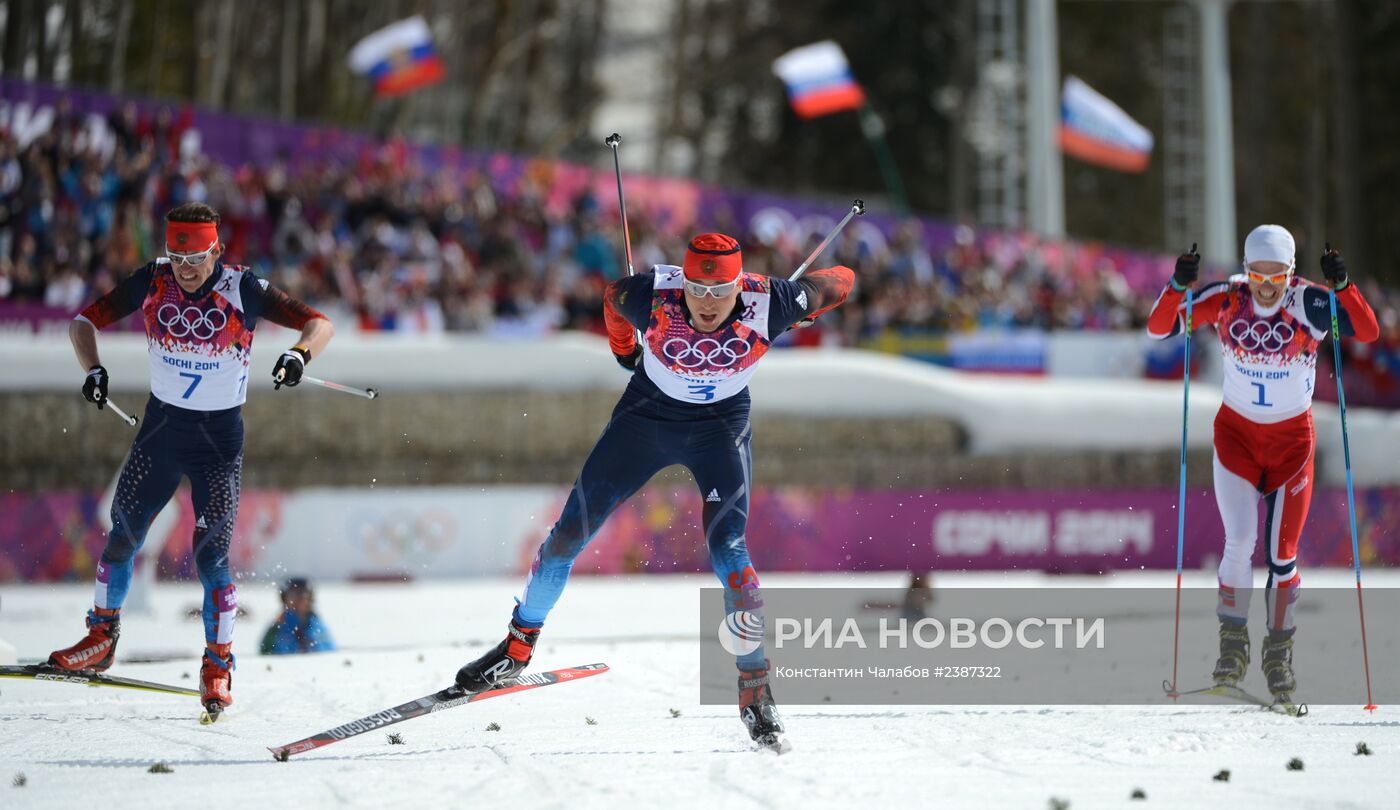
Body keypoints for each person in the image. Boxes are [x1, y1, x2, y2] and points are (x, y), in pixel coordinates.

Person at [455, 233, 854, 745]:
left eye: (721, 291)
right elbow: (611, 297)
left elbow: (842, 280)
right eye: (697, 290)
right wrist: (625, 351)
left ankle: (755, 690)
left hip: (719, 429)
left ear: (739, 285)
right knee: (565, 539)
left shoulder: (770, 300)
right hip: (645, 419)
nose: (707, 304)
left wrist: (801, 309)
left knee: (731, 554)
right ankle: (516, 649)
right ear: (682, 282)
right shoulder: (650, 295)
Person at [46, 201, 335, 718]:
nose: (185, 269)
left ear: (216, 250)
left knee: (211, 560)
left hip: (217, 441)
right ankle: (100, 638)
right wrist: (92, 369)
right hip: (160, 430)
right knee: (122, 535)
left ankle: (218, 665)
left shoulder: (242, 286)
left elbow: (319, 324)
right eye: (177, 258)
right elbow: (81, 323)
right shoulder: (154, 279)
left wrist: (298, 355)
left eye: (197, 258)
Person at [1146, 225, 1378, 702]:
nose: (1266, 286)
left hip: (1292, 446)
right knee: (1240, 541)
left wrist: (1343, 286)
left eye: (1277, 276)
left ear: (1292, 273)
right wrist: (1177, 286)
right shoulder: (1227, 297)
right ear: (1245, 269)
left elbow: (1368, 331)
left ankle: (1278, 657)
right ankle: (1232, 650)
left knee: (1283, 554)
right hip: (1237, 440)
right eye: (1257, 274)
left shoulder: (1309, 303)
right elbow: (1159, 326)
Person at [260, 577, 337, 655]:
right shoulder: (277, 629)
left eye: (304, 594)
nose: (300, 599)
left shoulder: (318, 626)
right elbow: (265, 655)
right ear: (284, 599)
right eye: (293, 595)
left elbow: (330, 652)